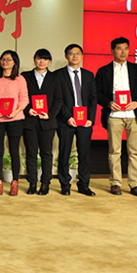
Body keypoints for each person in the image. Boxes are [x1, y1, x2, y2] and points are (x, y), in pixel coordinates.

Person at [95, 37, 137, 197]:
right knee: (114, 151)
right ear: (112, 51)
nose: (123, 52)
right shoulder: (103, 71)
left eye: (126, 48)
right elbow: (96, 93)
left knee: (135, 152)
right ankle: (116, 183)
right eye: (119, 48)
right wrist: (108, 103)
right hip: (114, 115)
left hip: (133, 115)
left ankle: (135, 184)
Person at [54, 44, 97, 196]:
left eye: (78, 53)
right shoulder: (57, 75)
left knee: (84, 154)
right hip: (66, 120)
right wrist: (68, 117)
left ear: (82, 56)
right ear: (66, 56)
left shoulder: (89, 75)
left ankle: (84, 184)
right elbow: (58, 99)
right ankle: (65, 184)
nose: (75, 56)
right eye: (71, 53)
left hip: (85, 121)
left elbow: (93, 99)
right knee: (64, 152)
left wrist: (90, 118)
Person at [21, 48, 62, 195]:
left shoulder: (55, 77)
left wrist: (50, 115)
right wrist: (28, 110)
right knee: (31, 153)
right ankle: (32, 183)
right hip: (30, 121)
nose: (41, 61)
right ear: (34, 59)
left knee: (46, 153)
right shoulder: (25, 76)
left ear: (49, 61)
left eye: (45, 59)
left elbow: (58, 99)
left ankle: (45, 183)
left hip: (48, 122)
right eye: (39, 58)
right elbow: (21, 96)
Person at [0, 50, 28, 196]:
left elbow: (24, 99)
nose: (5, 62)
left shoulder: (20, 79)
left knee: (14, 151)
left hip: (15, 119)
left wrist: (16, 111)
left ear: (15, 62)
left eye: (9, 59)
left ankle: (14, 182)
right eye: (3, 59)